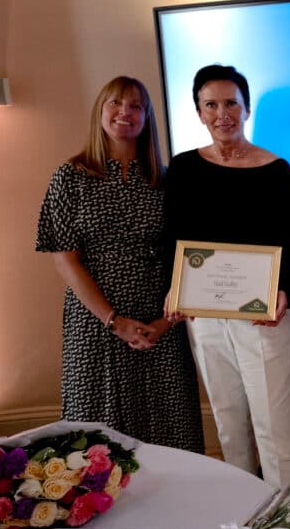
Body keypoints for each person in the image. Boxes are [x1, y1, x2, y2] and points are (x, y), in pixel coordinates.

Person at [36, 76, 204, 453]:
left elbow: (186, 256)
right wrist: (115, 321)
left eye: (135, 106)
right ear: (100, 111)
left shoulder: (165, 181)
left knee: (169, 430)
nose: (124, 112)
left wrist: (163, 322)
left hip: (159, 321)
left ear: (147, 119)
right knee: (94, 441)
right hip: (95, 323)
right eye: (115, 103)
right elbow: (65, 261)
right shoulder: (71, 176)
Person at [165, 64, 290, 489]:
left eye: (231, 103)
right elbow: (174, 239)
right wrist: (175, 288)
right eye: (210, 105)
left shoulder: (276, 170)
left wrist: (286, 291)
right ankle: (244, 516)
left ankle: (288, 524)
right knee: (229, 426)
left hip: (262, 317)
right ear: (198, 112)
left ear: (246, 109)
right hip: (205, 318)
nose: (221, 113)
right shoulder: (185, 169)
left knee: (274, 429)